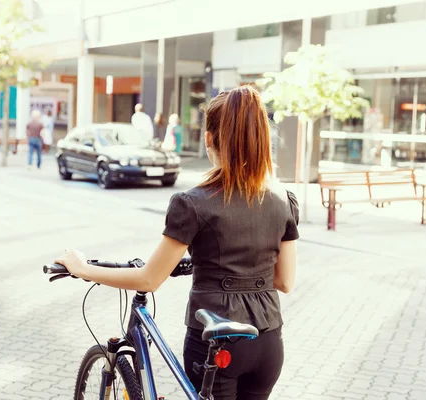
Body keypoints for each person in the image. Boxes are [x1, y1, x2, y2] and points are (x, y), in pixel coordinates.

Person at [55, 86, 298, 400]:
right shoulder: (283, 199)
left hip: (218, 343)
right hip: (267, 343)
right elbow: (285, 281)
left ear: (209, 139)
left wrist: (83, 268)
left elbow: (149, 279)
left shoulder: (193, 203)